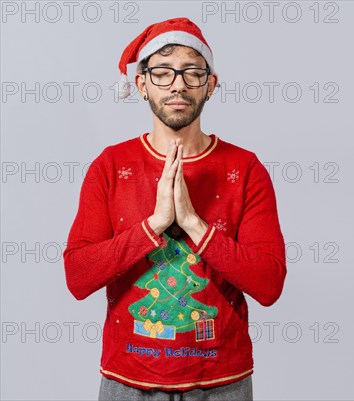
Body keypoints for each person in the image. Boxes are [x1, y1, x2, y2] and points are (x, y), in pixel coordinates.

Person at [62, 17, 287, 400]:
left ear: (210, 85)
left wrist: (194, 225)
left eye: (192, 72)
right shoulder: (110, 166)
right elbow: (78, 277)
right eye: (163, 72)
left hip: (223, 384)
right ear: (141, 83)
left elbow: (269, 285)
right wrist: (154, 225)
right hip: (128, 382)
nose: (178, 84)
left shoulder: (245, 168)